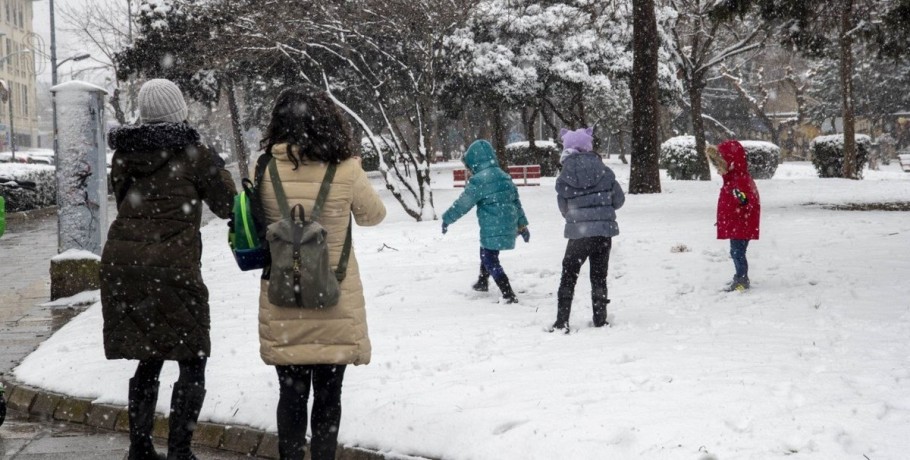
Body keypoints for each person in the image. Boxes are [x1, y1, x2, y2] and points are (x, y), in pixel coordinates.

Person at [101, 79, 236, 460]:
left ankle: (140, 447)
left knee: (150, 352)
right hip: (173, 267)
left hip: (125, 263)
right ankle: (180, 451)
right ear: (180, 111)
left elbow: (124, 200)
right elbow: (229, 206)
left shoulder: (125, 155)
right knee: (192, 357)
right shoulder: (196, 155)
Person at [256, 86, 386, 460]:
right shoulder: (346, 169)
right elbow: (373, 216)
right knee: (329, 396)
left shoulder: (263, 168)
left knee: (290, 394)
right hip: (334, 298)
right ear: (329, 122)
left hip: (283, 298)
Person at [552, 127, 625, 333]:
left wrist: (577, 217)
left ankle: (562, 320)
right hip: (603, 233)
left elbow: (563, 208)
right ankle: (600, 319)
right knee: (599, 276)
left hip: (578, 235)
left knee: (569, 274)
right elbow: (618, 200)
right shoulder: (605, 171)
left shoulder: (564, 176)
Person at [442, 140, 530, 304]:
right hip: (508, 222)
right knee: (486, 249)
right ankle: (483, 281)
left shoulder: (478, 181)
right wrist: (522, 225)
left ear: (474, 162)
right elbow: (516, 202)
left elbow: (462, 204)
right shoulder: (504, 176)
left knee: (490, 258)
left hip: (493, 225)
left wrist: (447, 218)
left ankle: (508, 293)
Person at [707, 139, 761, 291]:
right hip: (737, 222)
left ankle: (742, 279)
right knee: (736, 251)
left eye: (719, 163)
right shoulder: (732, 179)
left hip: (741, 223)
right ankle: (740, 276)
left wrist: (741, 198)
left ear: (730, 162)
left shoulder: (739, 180)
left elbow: (747, 201)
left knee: (737, 252)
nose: (718, 168)